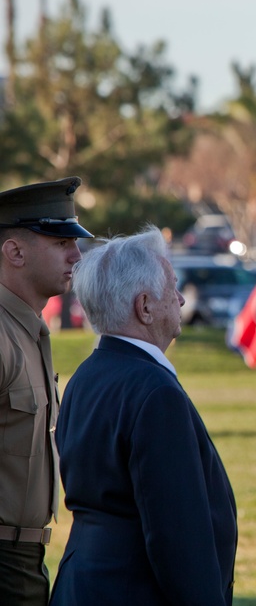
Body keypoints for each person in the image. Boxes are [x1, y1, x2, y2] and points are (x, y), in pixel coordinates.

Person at [50, 225, 238, 606]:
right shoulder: (155, 393)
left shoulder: (86, 376)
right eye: (172, 288)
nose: (182, 300)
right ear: (145, 306)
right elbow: (177, 536)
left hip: (82, 585)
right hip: (133, 590)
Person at [0, 177, 93, 605]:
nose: (75, 254)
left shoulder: (26, 330)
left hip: (23, 559)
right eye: (59, 241)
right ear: (14, 252)